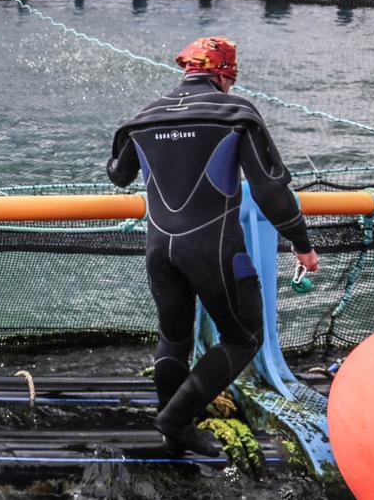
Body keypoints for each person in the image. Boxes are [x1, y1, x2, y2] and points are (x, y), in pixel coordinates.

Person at [106, 37, 320, 455]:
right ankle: (176, 418)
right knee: (243, 338)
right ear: (225, 75)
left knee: (174, 338)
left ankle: (173, 436)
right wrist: (302, 244)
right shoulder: (235, 112)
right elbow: (270, 190)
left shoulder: (143, 117)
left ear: (187, 69)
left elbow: (118, 175)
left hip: (159, 249)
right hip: (212, 248)